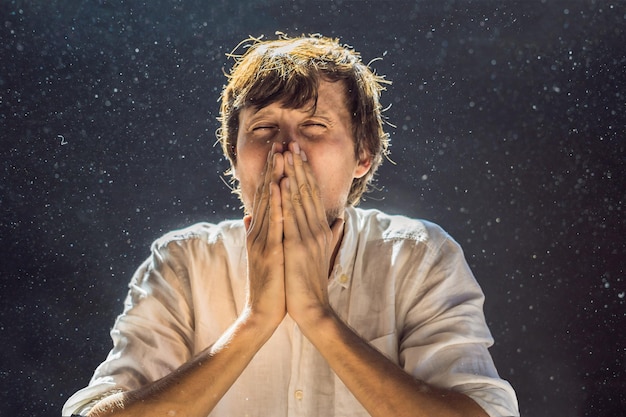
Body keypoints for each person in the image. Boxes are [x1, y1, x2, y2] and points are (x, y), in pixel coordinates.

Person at [63, 34, 519, 417]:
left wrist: (318, 318)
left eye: (315, 126)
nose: (286, 151)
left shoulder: (418, 257)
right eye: (262, 129)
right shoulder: (182, 263)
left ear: (363, 155)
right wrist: (255, 321)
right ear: (234, 158)